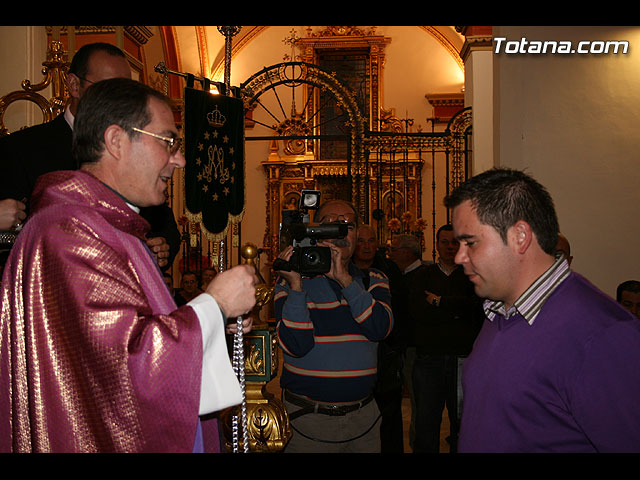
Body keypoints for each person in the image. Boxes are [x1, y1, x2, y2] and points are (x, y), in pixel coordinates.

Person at [0, 78, 258, 453]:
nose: (180, 159)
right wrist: (213, 306)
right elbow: (125, 368)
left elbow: (126, 332)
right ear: (116, 140)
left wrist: (213, 319)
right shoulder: (68, 230)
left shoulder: (107, 224)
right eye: (168, 141)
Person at [444, 167, 640, 453]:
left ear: (520, 236)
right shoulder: (498, 312)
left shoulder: (604, 335)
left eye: (470, 242)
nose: (460, 256)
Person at [0, 42, 180, 269]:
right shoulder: (22, 148)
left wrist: (160, 247)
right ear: (74, 85)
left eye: (125, 89)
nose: (120, 100)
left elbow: (163, 224)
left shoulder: (135, 148)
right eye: (108, 88)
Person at [274, 199, 393, 453]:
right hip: (307, 421)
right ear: (315, 231)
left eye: (347, 224)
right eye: (328, 224)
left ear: (357, 234)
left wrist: (345, 280)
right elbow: (296, 345)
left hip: (363, 420)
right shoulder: (289, 282)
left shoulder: (374, 280)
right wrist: (296, 287)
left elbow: (380, 328)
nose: (338, 230)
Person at [408, 224, 483, 453]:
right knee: (426, 424)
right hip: (430, 359)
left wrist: (440, 302)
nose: (450, 247)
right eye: (445, 242)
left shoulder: (473, 275)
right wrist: (458, 309)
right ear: (436, 244)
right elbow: (418, 313)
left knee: (462, 425)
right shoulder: (422, 275)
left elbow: (476, 311)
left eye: (454, 242)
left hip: (463, 359)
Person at [353, 224, 407, 453]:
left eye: (371, 241)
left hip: (385, 358)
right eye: (361, 241)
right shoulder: (341, 271)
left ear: (378, 244)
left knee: (389, 420)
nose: (366, 246)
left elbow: (402, 312)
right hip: (354, 357)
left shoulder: (390, 271)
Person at [387, 233, 428, 450]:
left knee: (420, 403)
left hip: (416, 348)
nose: (390, 254)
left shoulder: (424, 275)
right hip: (402, 347)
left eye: (393, 249)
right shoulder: (397, 275)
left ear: (407, 252)